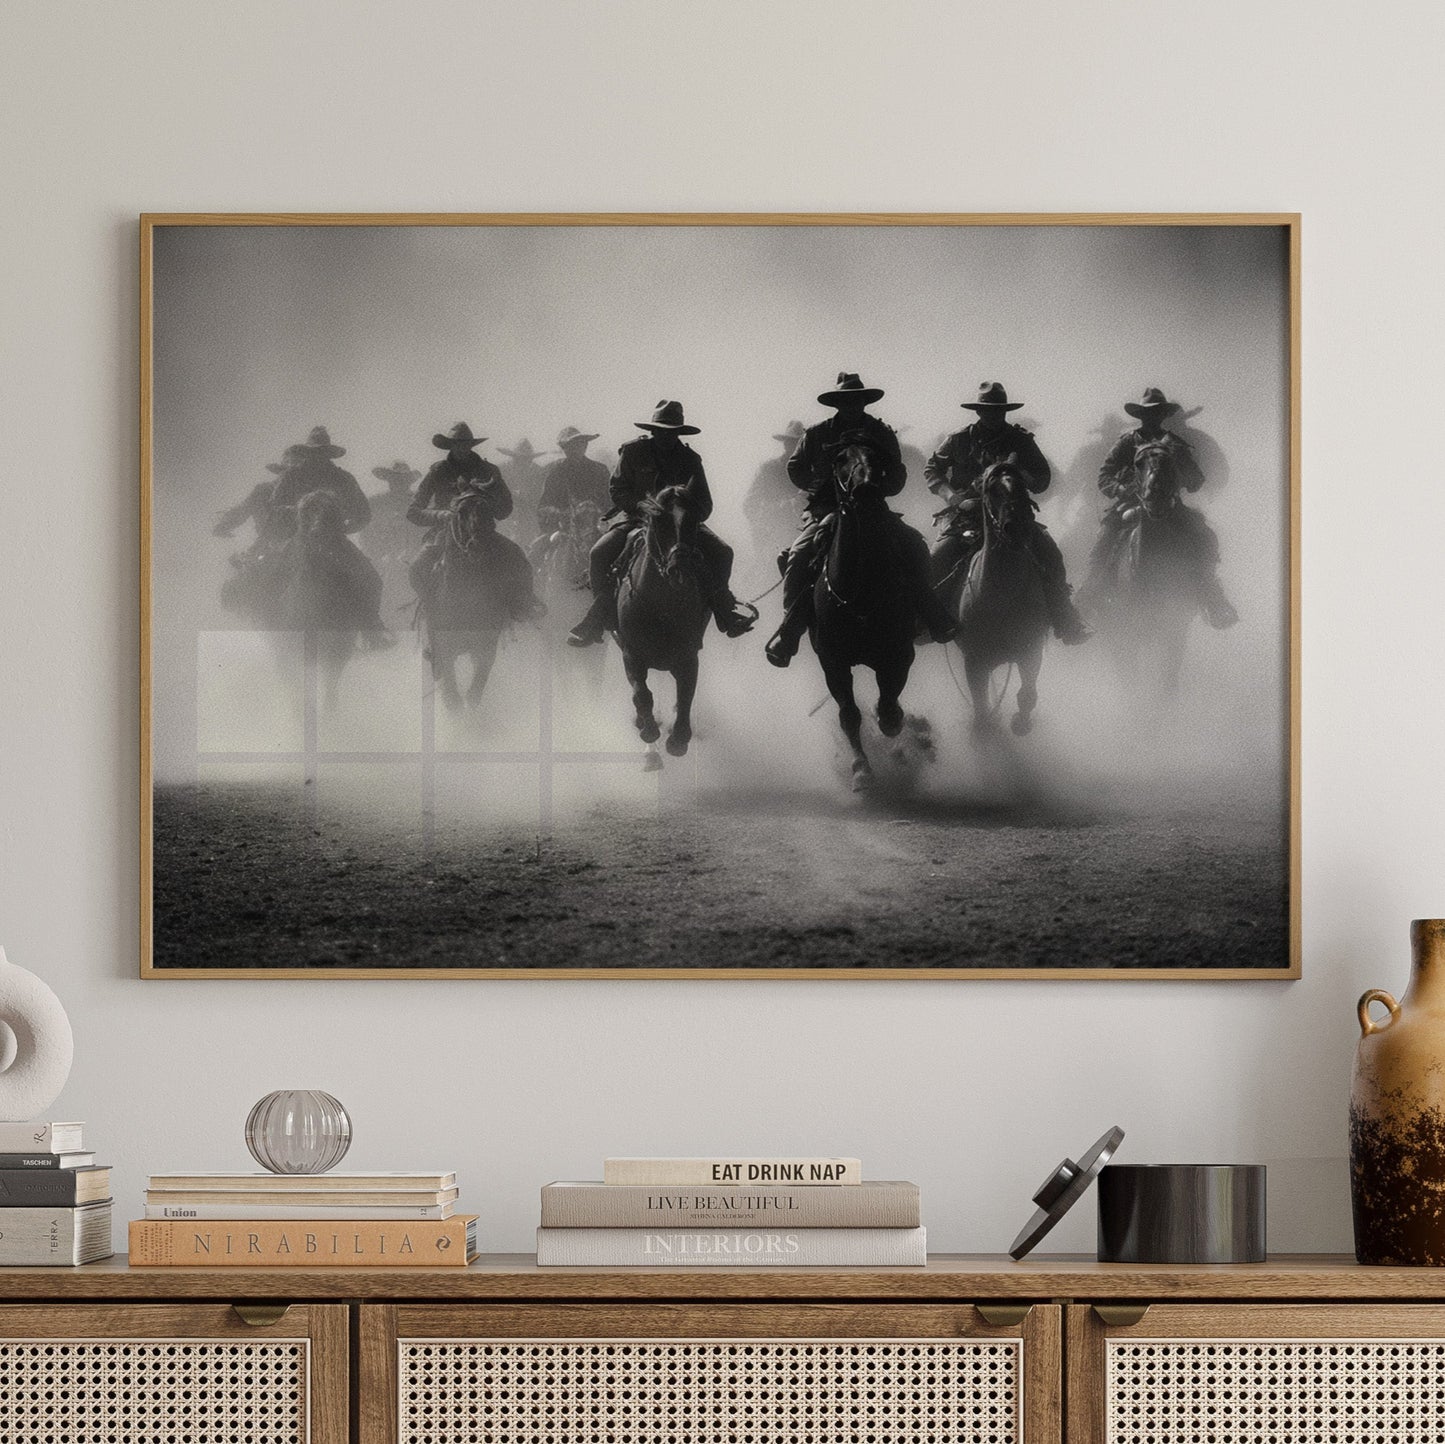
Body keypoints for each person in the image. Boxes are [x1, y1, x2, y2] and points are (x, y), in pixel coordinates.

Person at [763, 373, 956, 669]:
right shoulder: (816, 434)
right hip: (828, 510)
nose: (851, 405)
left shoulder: (881, 432)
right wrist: (823, 486)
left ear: (864, 402)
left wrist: (881, 484)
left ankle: (930, 614)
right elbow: (795, 467)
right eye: (845, 400)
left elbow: (898, 474)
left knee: (915, 544)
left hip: (875, 509)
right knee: (800, 553)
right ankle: (790, 629)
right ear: (837, 403)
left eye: (857, 400)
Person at [566, 401, 756, 647]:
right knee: (598, 552)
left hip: (680, 526)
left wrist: (684, 516)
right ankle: (597, 616)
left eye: (671, 431)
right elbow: (617, 489)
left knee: (723, 552)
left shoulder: (690, 459)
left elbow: (705, 503)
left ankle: (724, 610)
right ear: (653, 430)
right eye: (660, 430)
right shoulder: (633, 452)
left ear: (678, 432)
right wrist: (641, 506)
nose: (665, 436)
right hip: (637, 521)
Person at [924, 382, 1090, 644]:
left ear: (1005, 412)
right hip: (967, 515)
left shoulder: (1020, 441)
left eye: (998, 411)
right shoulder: (959, 439)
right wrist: (954, 498)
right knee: (935, 560)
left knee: (1050, 554)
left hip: (1011, 515)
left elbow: (1043, 478)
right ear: (978, 412)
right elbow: (932, 469)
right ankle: (929, 621)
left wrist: (1019, 474)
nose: (993, 416)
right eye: (987, 410)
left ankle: (1065, 619)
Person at [1079, 387, 1238, 629]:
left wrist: (1182, 476)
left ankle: (1213, 597)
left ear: (1163, 415)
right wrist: (1122, 489)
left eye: (1157, 413)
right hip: (1129, 505)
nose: (1152, 418)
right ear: (1141, 416)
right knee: (1103, 542)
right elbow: (1105, 477)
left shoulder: (1175, 445)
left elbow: (1195, 480)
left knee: (1204, 536)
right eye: (1147, 414)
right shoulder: (1127, 442)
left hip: (1171, 506)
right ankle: (1087, 599)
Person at [407, 422, 543, 622]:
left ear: (471, 445)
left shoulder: (489, 470)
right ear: (450, 445)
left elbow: (505, 508)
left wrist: (485, 505)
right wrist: (440, 515)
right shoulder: (438, 471)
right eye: (457, 443)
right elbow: (413, 511)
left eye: (465, 443)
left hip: (484, 533)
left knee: (519, 559)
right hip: (444, 533)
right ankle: (431, 611)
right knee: (417, 567)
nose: (461, 447)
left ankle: (522, 606)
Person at [270, 426, 392, 644]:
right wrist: (299, 512)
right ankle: (270, 626)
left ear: (328, 454)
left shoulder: (343, 478)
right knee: (270, 575)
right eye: (314, 452)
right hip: (300, 537)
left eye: (322, 452)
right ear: (307, 453)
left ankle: (371, 627)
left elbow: (363, 513)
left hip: (335, 540)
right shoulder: (292, 475)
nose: (318, 456)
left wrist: (344, 526)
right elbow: (276, 505)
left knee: (371, 578)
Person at [533, 425, 610, 557]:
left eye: (579, 444)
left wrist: (600, 515)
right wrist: (562, 516)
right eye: (570, 446)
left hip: (596, 526)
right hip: (562, 527)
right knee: (534, 555)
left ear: (585, 445)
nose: (575, 449)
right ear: (564, 449)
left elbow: (609, 501)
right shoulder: (554, 471)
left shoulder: (600, 470)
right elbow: (543, 506)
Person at [742, 419, 807, 558]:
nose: (793, 446)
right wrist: (786, 506)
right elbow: (750, 505)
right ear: (784, 444)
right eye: (790, 442)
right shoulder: (769, 469)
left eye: (797, 442)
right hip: (774, 534)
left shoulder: (811, 470)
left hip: (805, 529)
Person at [495, 438, 552, 548]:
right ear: (514, 457)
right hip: (505, 516)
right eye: (520, 458)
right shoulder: (501, 470)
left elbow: (541, 496)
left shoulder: (538, 472)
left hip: (529, 518)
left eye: (527, 459)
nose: (524, 462)